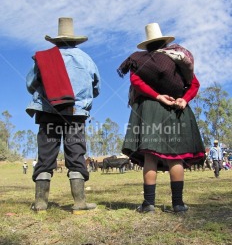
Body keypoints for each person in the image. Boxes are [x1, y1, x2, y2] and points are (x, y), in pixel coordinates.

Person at [118, 22, 205, 213]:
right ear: (164, 42)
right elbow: (194, 83)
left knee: (150, 156)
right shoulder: (178, 57)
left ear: (147, 43)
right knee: (176, 157)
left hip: (149, 109)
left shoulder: (139, 60)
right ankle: (178, 204)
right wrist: (184, 99)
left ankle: (149, 204)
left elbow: (136, 82)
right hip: (177, 108)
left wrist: (157, 96)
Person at [26, 17, 101, 212]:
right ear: (75, 40)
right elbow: (96, 87)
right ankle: (79, 202)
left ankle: (41, 203)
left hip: (48, 111)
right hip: (75, 113)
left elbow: (30, 84)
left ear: (56, 41)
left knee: (46, 154)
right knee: (76, 152)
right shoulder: (86, 59)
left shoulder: (44, 57)